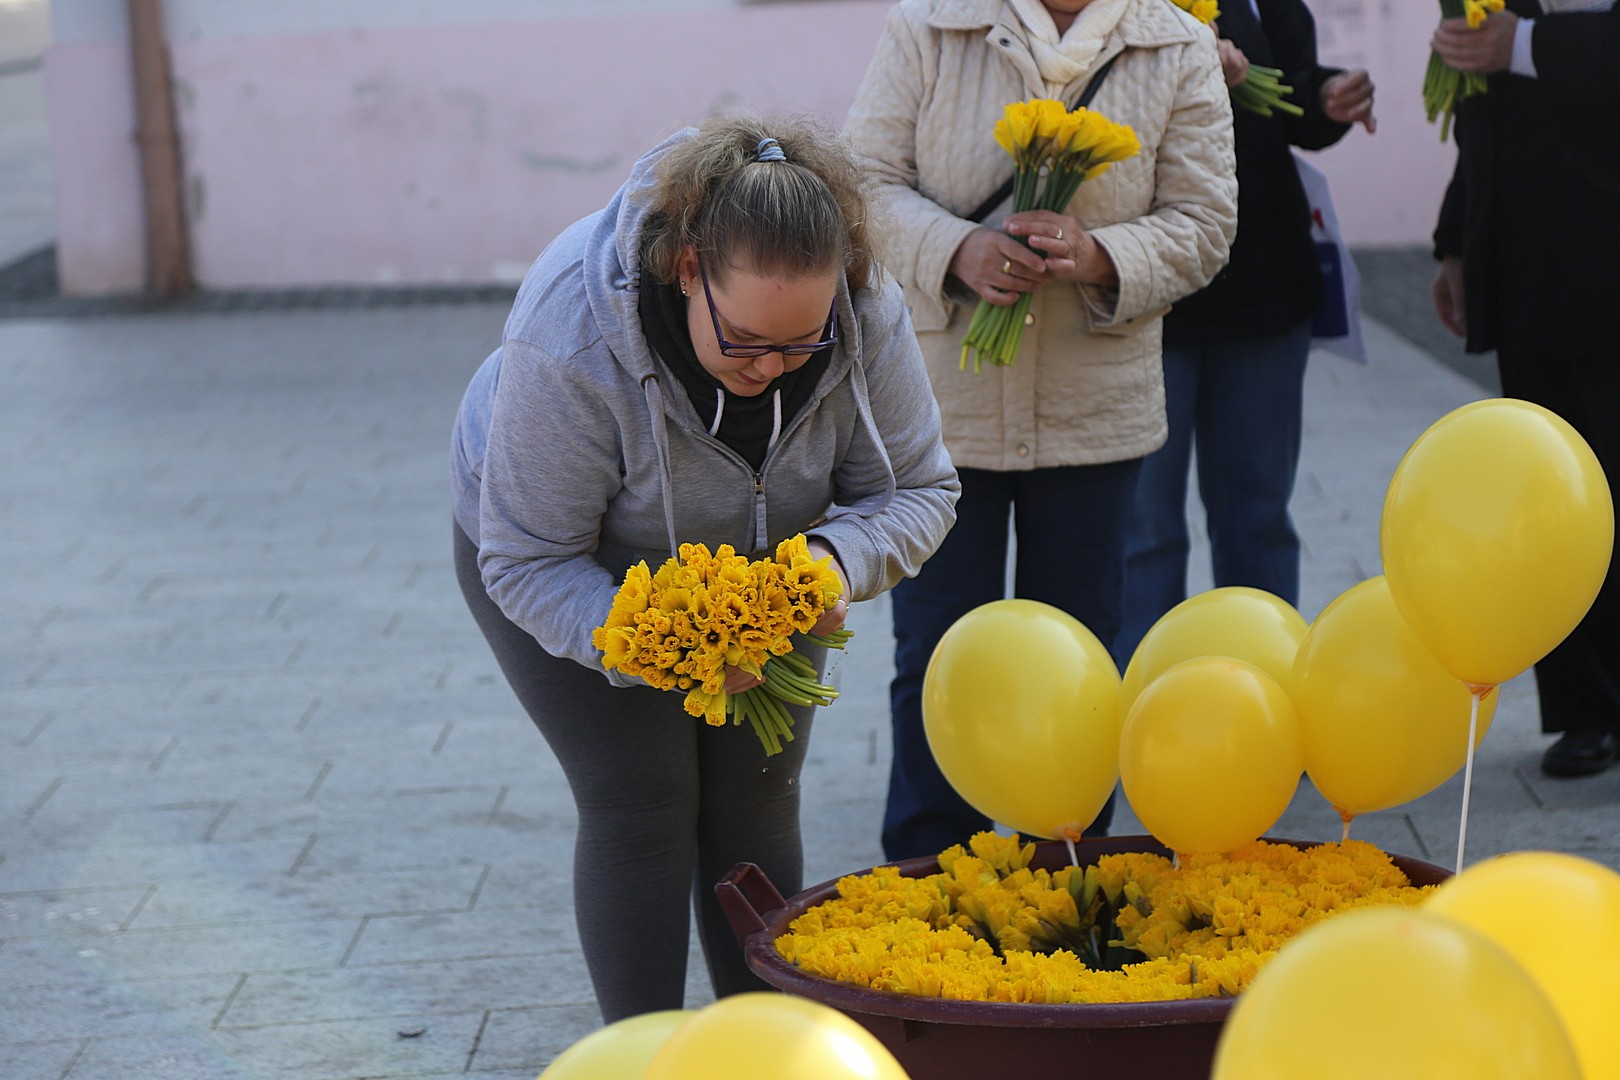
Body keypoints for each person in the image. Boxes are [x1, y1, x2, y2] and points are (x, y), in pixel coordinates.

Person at [449, 113, 961, 1021]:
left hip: (771, 573)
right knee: (642, 802)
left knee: (759, 800)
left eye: (801, 344)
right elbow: (529, 559)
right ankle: (645, 1053)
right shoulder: (569, 329)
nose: (773, 366)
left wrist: (830, 567)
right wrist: (663, 643)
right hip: (580, 562)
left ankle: (760, 1047)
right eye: (748, 341)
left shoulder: (864, 312)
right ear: (688, 269)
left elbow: (921, 488)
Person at [846, 0, 1239, 862]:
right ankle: (928, 877)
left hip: (1093, 416)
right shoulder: (931, 25)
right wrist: (958, 249)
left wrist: (1099, 256)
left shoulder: (1176, 43)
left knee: (1078, 662)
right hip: (943, 417)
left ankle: (1066, 879)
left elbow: (1206, 223)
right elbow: (861, 183)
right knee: (939, 658)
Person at [1117, 0, 1376, 666]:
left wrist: (1327, 93)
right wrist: (1182, 71)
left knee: (1257, 517)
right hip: (1148, 296)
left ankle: (1268, 696)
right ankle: (1146, 714)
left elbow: (1293, 96)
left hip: (1263, 289)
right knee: (1144, 531)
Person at [1429, 0, 1620, 777]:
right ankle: (1585, 709)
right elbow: (1483, 111)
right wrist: (1454, 241)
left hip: (1606, 257)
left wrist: (1531, 43)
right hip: (1528, 263)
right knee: (1548, 505)